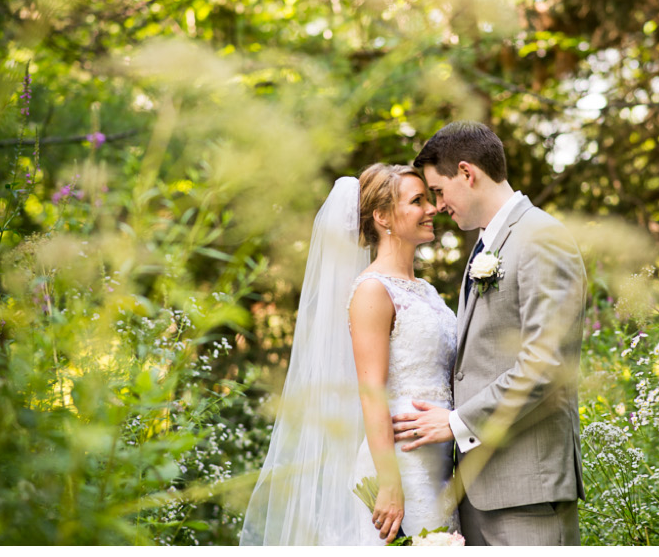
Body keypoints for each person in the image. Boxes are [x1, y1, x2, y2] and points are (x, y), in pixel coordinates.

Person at [391, 121, 587, 545]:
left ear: (467, 172)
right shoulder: (487, 246)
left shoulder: (542, 238)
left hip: (527, 494)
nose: (438, 206)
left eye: (439, 191)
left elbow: (545, 363)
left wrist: (457, 422)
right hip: (477, 493)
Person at [240, 165, 458, 544]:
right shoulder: (373, 290)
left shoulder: (426, 290)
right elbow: (370, 389)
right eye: (417, 201)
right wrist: (389, 484)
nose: (432, 209)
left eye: (429, 199)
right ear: (383, 217)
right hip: (401, 463)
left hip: (441, 460)